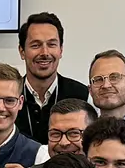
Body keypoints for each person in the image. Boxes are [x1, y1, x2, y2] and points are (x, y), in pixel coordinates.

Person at [17, 12, 89, 143]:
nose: (44, 53)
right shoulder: (9, 97)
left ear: (61, 50)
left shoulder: (82, 95)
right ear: (22, 51)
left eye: (51, 44)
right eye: (35, 45)